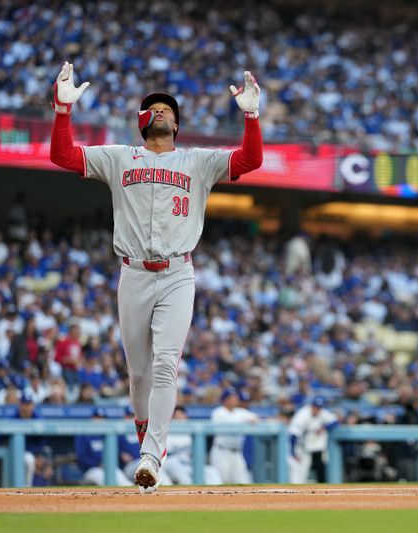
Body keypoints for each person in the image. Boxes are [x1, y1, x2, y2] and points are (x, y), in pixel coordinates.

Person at [50, 61, 262, 493]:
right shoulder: (119, 157)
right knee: (139, 374)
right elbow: (62, 156)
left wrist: (251, 117)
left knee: (167, 364)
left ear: (178, 122)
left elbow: (250, 160)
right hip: (132, 275)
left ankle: (151, 456)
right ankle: (146, 436)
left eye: (167, 108)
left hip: (178, 274)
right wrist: (61, 110)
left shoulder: (197, 161)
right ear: (142, 121)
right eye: (154, 108)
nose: (161, 111)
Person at [209, 388, 260, 484]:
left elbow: (256, 418)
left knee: (244, 482)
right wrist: (244, 421)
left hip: (237, 453)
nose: (235, 399)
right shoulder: (218, 412)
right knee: (221, 482)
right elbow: (229, 423)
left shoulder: (240, 412)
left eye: (235, 397)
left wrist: (251, 420)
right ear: (225, 399)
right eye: (232, 397)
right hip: (222, 452)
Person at [163, 406, 222, 485]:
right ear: (172, 417)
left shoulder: (191, 431)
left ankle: (218, 495)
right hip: (171, 462)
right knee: (185, 478)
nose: (180, 417)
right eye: (177, 415)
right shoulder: (167, 430)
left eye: (182, 415)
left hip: (188, 463)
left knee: (211, 472)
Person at [288, 397, 339, 483]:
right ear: (311, 406)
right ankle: (292, 493)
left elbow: (336, 422)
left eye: (319, 407)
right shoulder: (302, 415)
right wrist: (293, 452)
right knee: (296, 471)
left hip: (309, 446)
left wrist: (324, 427)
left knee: (306, 471)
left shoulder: (322, 413)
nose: (317, 409)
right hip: (296, 445)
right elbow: (293, 435)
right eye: (316, 407)